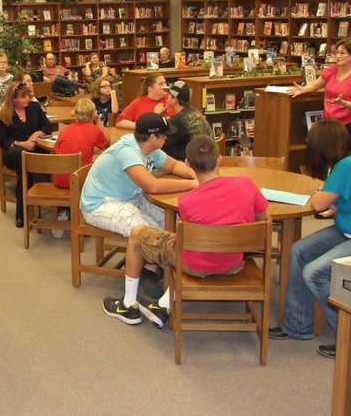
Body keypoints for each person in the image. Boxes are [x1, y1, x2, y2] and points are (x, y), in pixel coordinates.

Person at [103, 135, 269, 326]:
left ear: (188, 164)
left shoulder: (186, 201)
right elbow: (263, 221)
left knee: (138, 234)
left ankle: (128, 305)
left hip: (193, 265)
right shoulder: (246, 184)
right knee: (186, 240)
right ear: (219, 159)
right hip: (234, 261)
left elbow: (184, 240)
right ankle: (163, 304)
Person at [269, 119, 351, 361]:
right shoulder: (345, 164)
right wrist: (331, 203)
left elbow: (318, 204)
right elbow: (336, 201)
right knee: (298, 251)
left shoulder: (348, 165)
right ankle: (298, 326)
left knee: (314, 272)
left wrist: (322, 197)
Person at [82, 112, 197, 317]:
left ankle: (152, 272)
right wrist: (193, 185)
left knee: (177, 221)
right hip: (101, 204)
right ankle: (129, 304)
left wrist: (198, 176)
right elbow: (151, 185)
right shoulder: (129, 151)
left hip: (130, 197)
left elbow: (173, 165)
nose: (166, 138)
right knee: (144, 233)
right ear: (153, 137)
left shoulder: (150, 148)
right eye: (163, 135)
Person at [287, 39, 351, 151]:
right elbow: (315, 85)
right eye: (337, 53)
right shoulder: (332, 70)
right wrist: (303, 90)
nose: (338, 56)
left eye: (342, 53)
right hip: (330, 124)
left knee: (346, 159)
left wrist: (342, 102)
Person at [0, 81, 54, 228]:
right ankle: (49, 199)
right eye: (23, 96)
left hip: (34, 150)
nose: (27, 98)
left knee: (26, 169)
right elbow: (2, 140)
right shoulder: (4, 114)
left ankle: (21, 213)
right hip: (14, 152)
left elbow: (48, 126)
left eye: (28, 95)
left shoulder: (34, 107)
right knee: (23, 157)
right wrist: (22, 144)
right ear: (13, 99)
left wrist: (36, 134)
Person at [52, 99, 109, 237]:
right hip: (80, 183)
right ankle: (87, 214)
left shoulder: (65, 130)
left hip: (60, 180)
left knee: (72, 173)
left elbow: (56, 150)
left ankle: (63, 211)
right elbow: (107, 142)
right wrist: (99, 121)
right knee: (99, 173)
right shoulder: (94, 130)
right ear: (93, 115)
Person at [162, 80, 213, 161]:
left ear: (174, 100)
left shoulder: (179, 119)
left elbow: (161, 142)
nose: (166, 96)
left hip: (190, 164)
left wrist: (157, 115)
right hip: (206, 160)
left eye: (169, 95)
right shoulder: (194, 111)